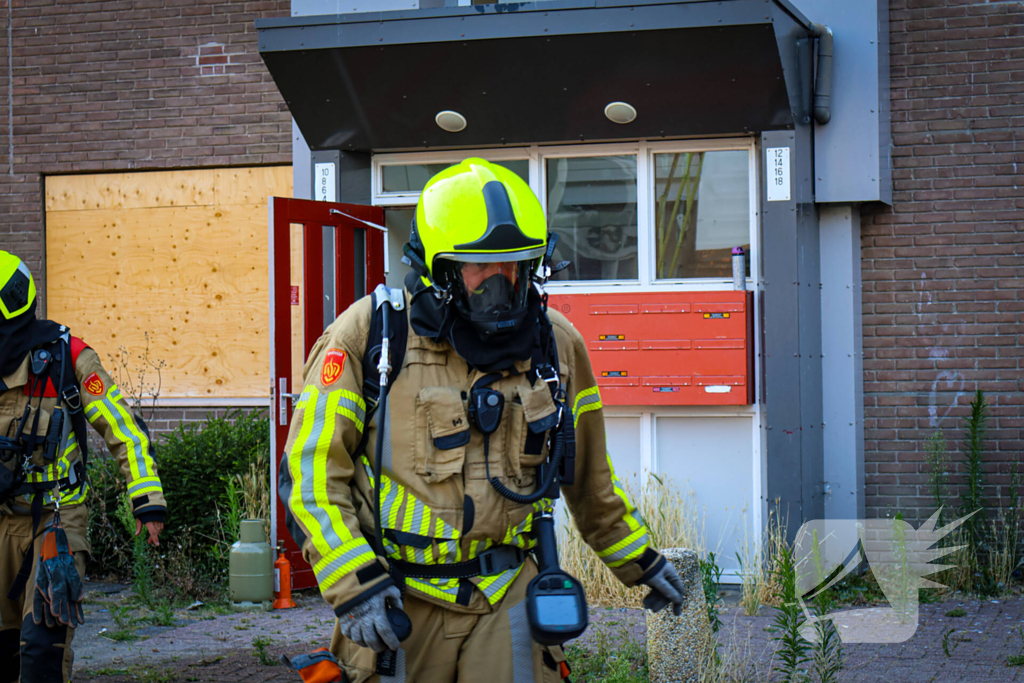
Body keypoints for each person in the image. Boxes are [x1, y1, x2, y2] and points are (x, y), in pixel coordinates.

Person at [280, 159, 685, 683]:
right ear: (438, 268)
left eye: (515, 266)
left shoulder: (557, 345)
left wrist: (641, 562)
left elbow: (589, 479)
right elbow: (310, 476)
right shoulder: (370, 336)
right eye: (481, 268)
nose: (502, 282)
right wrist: (355, 586)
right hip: (398, 591)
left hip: (506, 590)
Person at [0, 251, 167, 683]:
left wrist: (147, 500)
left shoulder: (66, 358)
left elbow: (124, 429)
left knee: (42, 651)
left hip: (55, 522)